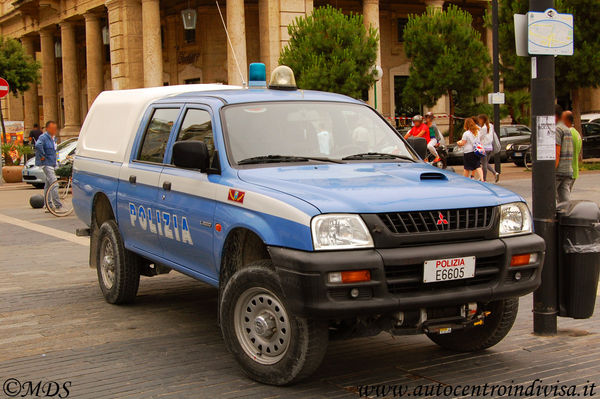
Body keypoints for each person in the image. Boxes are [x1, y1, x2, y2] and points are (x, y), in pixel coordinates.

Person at [35, 121, 62, 210]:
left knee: (48, 184)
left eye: (55, 128)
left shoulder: (53, 138)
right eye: (52, 128)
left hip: (52, 162)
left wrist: (57, 161)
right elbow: (38, 145)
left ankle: (48, 205)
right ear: (47, 128)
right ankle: (58, 205)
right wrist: (42, 156)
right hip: (46, 163)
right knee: (54, 183)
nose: (54, 130)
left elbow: (55, 151)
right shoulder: (43, 137)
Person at [554, 105, 573, 203]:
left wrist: (553, 169)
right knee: (565, 199)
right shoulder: (566, 129)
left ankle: (549, 217)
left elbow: (556, 151)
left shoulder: (557, 129)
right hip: (568, 169)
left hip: (558, 170)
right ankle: (567, 216)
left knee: (549, 196)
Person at [562, 110, 582, 192]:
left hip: (566, 171)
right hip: (574, 170)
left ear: (566, 120)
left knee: (562, 198)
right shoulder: (576, 133)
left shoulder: (567, 133)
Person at [478, 114, 500, 183]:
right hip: (490, 147)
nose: (479, 122)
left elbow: (480, 137)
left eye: (479, 120)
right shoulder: (491, 126)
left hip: (483, 147)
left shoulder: (483, 128)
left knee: (483, 164)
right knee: (486, 163)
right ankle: (495, 173)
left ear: (482, 120)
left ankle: (483, 179)